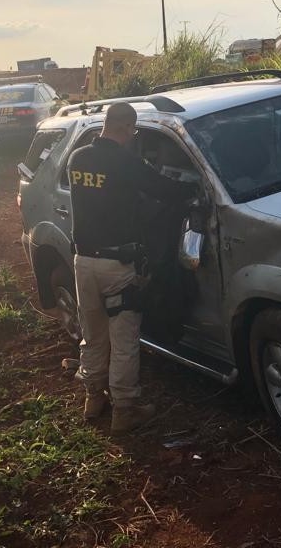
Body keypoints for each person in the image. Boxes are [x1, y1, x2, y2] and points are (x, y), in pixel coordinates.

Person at [67, 101, 197, 434]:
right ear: (125, 127)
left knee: (93, 336)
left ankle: (93, 399)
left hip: (83, 263)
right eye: (134, 130)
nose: (133, 136)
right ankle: (125, 410)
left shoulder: (77, 158)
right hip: (116, 265)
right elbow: (163, 190)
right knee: (124, 340)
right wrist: (195, 190)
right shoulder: (126, 162)